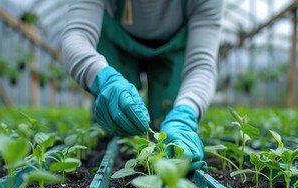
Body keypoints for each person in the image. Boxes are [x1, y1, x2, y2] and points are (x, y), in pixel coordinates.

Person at [61, 0, 225, 171]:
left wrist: (186, 113)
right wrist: (103, 78)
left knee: (167, 124)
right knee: (114, 121)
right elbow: (77, 35)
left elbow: (202, 65)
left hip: (173, 53)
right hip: (115, 47)